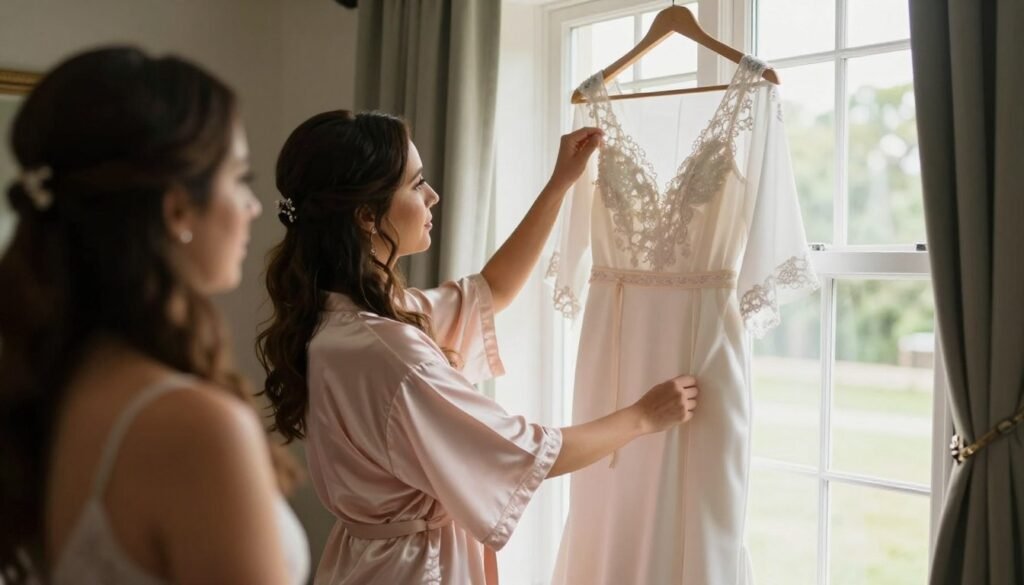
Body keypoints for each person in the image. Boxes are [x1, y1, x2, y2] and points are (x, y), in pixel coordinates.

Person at [256, 109, 699, 584]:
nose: (433, 196)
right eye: (416, 183)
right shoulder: (387, 350)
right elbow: (525, 452)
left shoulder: (348, 319)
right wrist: (644, 416)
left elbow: (491, 290)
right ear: (367, 216)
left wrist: (558, 185)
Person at [0, 47, 309, 585]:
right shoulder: (195, 427)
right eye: (240, 178)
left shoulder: (57, 386)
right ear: (177, 209)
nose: (254, 207)